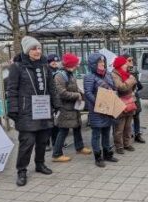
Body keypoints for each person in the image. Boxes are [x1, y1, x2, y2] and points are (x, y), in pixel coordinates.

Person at [7, 36, 54, 186]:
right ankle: (22, 170)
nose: (37, 51)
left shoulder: (45, 66)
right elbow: (12, 90)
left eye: (39, 48)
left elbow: (52, 88)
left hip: (44, 110)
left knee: (42, 141)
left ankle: (40, 164)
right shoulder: (17, 67)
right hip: (26, 112)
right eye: (34, 48)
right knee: (27, 142)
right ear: (27, 50)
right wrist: (13, 110)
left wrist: (56, 105)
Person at [52, 53, 92, 162]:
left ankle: (79, 147)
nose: (77, 66)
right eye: (75, 64)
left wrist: (80, 92)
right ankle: (56, 154)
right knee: (63, 130)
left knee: (77, 127)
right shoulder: (59, 76)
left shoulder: (70, 73)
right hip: (65, 108)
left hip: (74, 107)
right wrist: (77, 95)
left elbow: (74, 87)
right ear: (69, 64)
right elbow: (61, 93)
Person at [84, 53, 119, 167]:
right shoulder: (89, 77)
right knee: (96, 134)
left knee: (106, 132)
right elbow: (88, 93)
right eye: (99, 62)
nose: (102, 64)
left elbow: (114, 87)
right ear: (93, 64)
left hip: (108, 109)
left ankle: (107, 154)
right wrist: (99, 103)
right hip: (97, 110)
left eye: (103, 62)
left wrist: (114, 93)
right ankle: (98, 157)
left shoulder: (107, 75)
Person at [112, 56, 137, 154]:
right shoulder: (114, 75)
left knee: (128, 126)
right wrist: (131, 80)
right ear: (120, 65)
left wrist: (132, 82)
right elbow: (121, 87)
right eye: (125, 64)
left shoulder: (127, 74)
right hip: (120, 104)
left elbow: (132, 86)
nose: (127, 65)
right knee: (119, 128)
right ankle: (119, 146)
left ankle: (127, 144)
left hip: (129, 102)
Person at [122, 54, 146, 143]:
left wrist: (135, 89)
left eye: (132, 60)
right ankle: (126, 137)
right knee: (127, 118)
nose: (131, 62)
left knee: (136, 116)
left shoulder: (133, 72)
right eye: (129, 60)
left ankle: (137, 134)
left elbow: (139, 85)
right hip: (126, 99)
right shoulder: (121, 73)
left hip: (135, 97)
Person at [45, 54, 61, 151]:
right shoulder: (46, 72)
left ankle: (56, 142)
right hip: (48, 101)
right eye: (52, 61)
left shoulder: (59, 71)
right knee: (47, 124)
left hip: (57, 100)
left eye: (56, 61)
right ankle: (47, 143)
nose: (54, 63)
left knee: (56, 123)